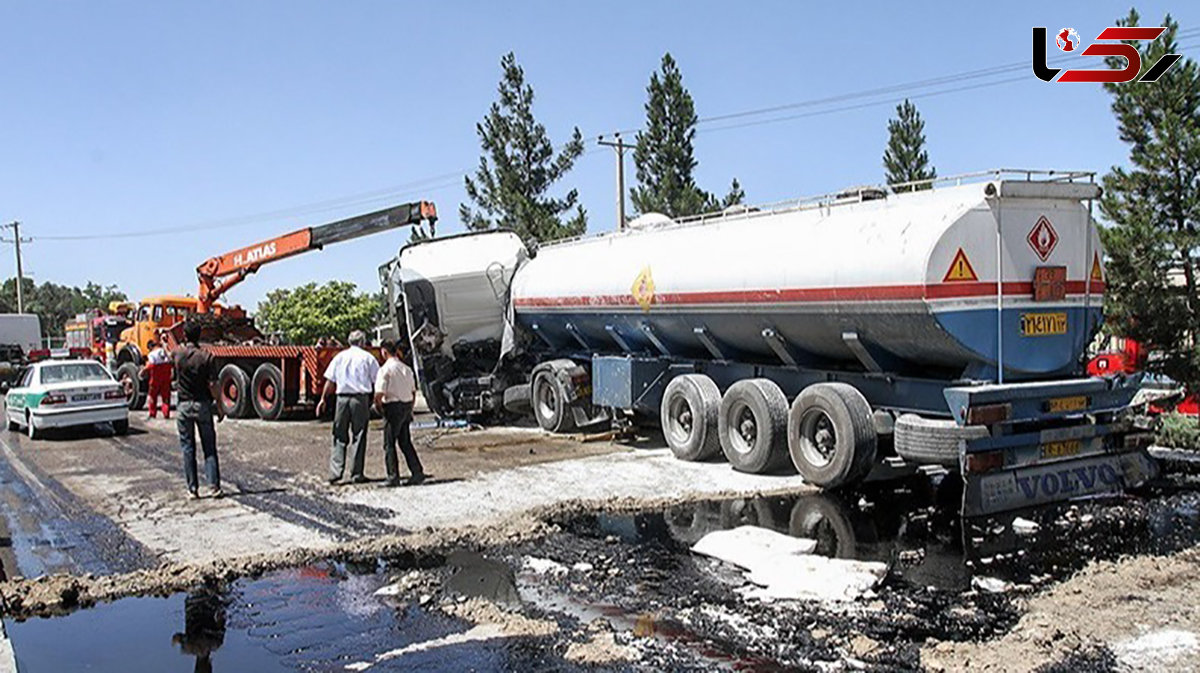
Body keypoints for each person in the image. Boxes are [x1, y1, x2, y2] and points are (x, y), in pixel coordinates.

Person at [316, 329, 380, 485]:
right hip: (360, 399)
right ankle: (356, 473)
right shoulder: (368, 358)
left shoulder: (340, 357)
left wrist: (323, 399)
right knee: (359, 435)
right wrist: (378, 401)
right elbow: (377, 381)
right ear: (363, 342)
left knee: (339, 434)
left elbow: (330, 381)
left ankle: (335, 472)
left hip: (342, 399)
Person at [174, 320, 224, 499]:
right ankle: (214, 487)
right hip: (203, 405)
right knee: (209, 447)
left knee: (188, 449)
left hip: (184, 407)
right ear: (200, 335)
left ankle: (192, 489)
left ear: (185, 335)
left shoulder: (178, 355)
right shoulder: (207, 357)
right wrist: (219, 405)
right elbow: (213, 385)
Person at [374, 340, 425, 486]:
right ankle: (417, 472)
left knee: (389, 443)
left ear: (384, 352)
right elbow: (413, 392)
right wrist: (410, 408)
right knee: (405, 442)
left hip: (393, 407)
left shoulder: (385, 370)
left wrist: (379, 408)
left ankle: (393, 476)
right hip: (406, 405)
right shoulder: (406, 369)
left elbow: (379, 394)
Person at [143, 338, 173, 420]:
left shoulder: (152, 354)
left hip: (156, 378)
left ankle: (152, 413)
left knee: (152, 396)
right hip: (166, 376)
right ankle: (166, 413)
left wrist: (142, 371)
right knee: (166, 396)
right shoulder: (164, 351)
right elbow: (170, 361)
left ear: (150, 347)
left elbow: (150, 365)